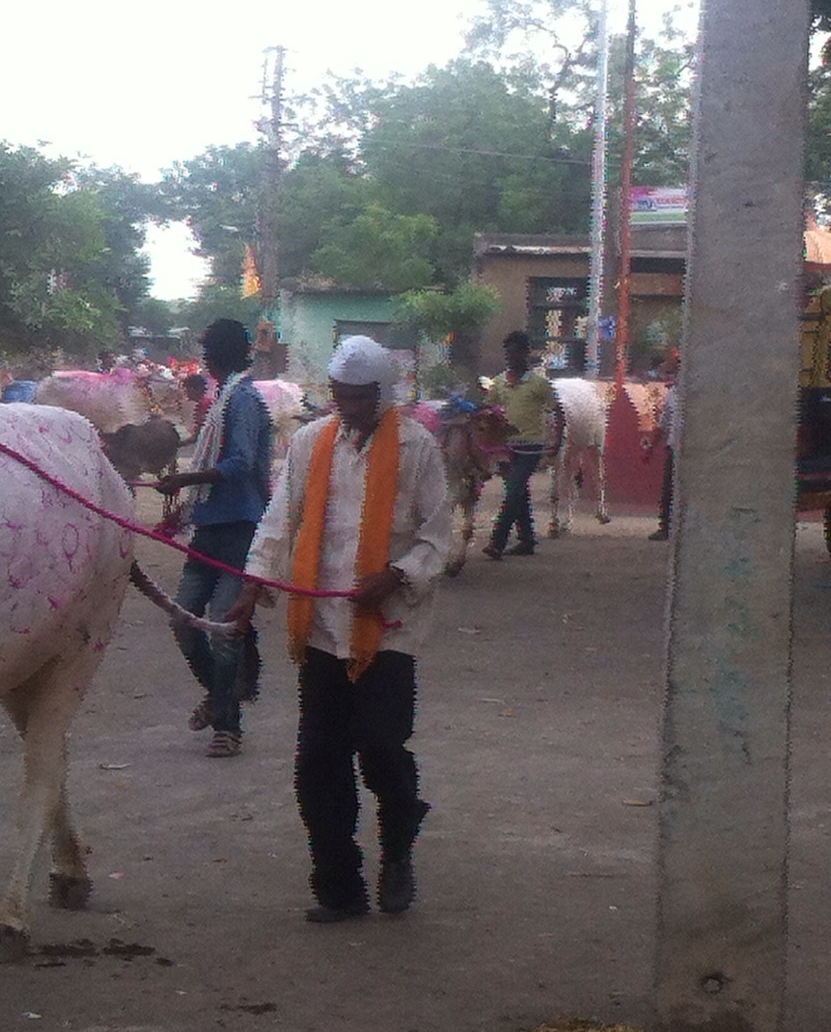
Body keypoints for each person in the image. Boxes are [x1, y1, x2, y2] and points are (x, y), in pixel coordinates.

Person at [226, 335, 451, 923]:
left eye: (358, 398)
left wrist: (397, 574)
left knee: (380, 749)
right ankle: (339, 887)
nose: (346, 408)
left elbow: (437, 536)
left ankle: (399, 839)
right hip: (323, 627)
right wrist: (254, 584)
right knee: (318, 762)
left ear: (382, 394)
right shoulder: (309, 442)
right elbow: (281, 520)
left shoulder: (416, 446)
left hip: (389, 626)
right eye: (339, 396)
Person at [155, 319, 274, 759]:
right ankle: (221, 695)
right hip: (208, 525)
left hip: (239, 527)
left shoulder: (241, 400)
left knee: (223, 630)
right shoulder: (223, 397)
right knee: (182, 622)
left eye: (207, 349)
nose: (203, 358)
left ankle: (228, 725)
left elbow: (242, 462)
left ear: (220, 354)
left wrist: (188, 476)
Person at [482, 331, 558, 559]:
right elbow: (489, 411)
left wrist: (556, 441)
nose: (510, 358)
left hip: (531, 447)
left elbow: (557, 411)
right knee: (518, 493)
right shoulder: (499, 383)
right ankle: (527, 540)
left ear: (526, 353)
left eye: (514, 353)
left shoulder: (539, 383)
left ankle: (498, 541)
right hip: (507, 448)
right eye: (508, 354)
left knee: (514, 491)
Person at [650, 357, 682, 540]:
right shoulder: (672, 394)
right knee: (668, 488)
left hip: (691, 450)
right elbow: (663, 424)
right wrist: (651, 448)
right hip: (674, 447)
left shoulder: (686, 395)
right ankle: (666, 527)